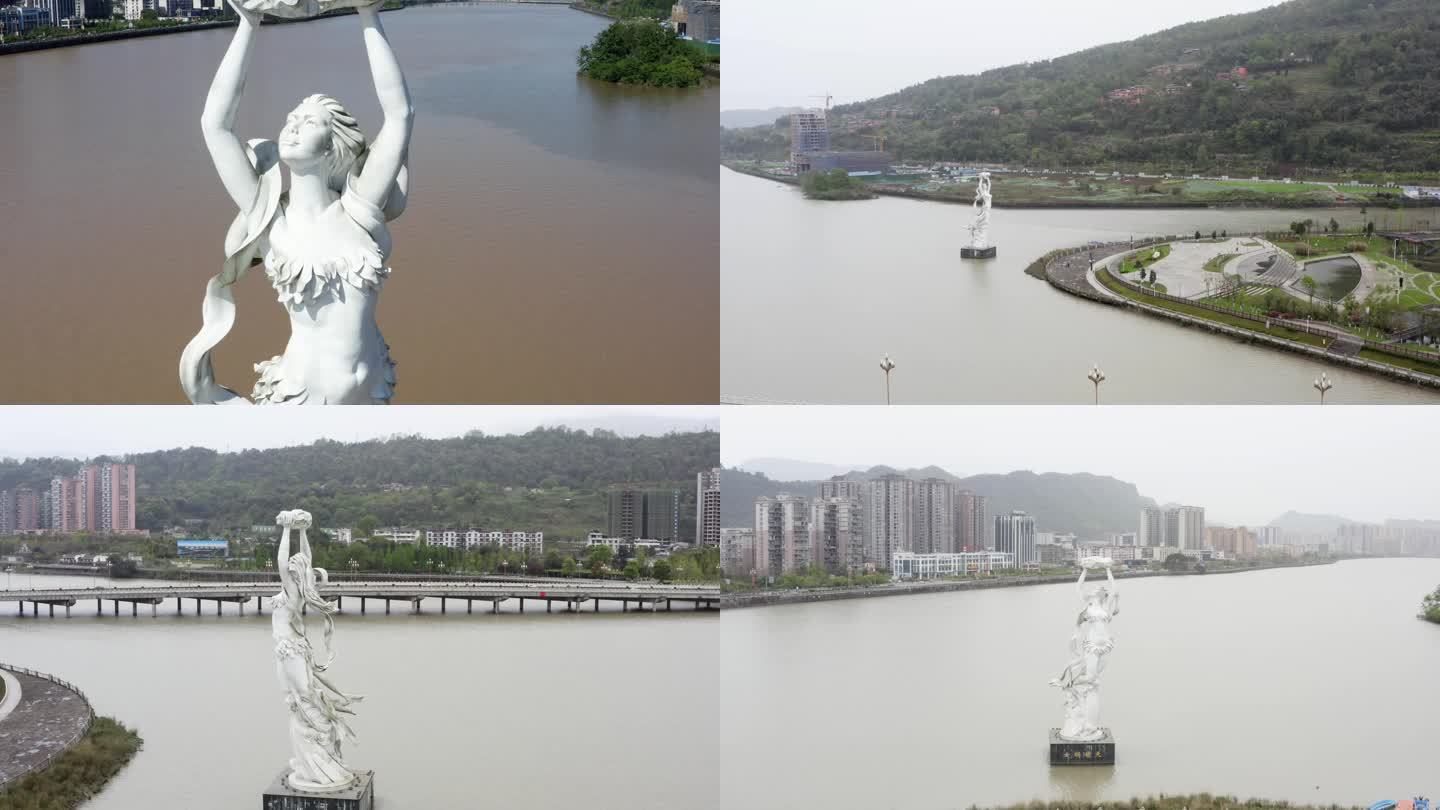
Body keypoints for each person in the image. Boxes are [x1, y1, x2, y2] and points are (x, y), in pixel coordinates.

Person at [181, 0, 413, 404]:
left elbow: (400, 115)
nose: (291, 126)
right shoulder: (269, 217)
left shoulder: (360, 209)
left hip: (372, 388)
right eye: (290, 119)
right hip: (302, 396)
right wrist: (248, 24)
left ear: (333, 147)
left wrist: (367, 12)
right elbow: (215, 125)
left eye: (309, 122)